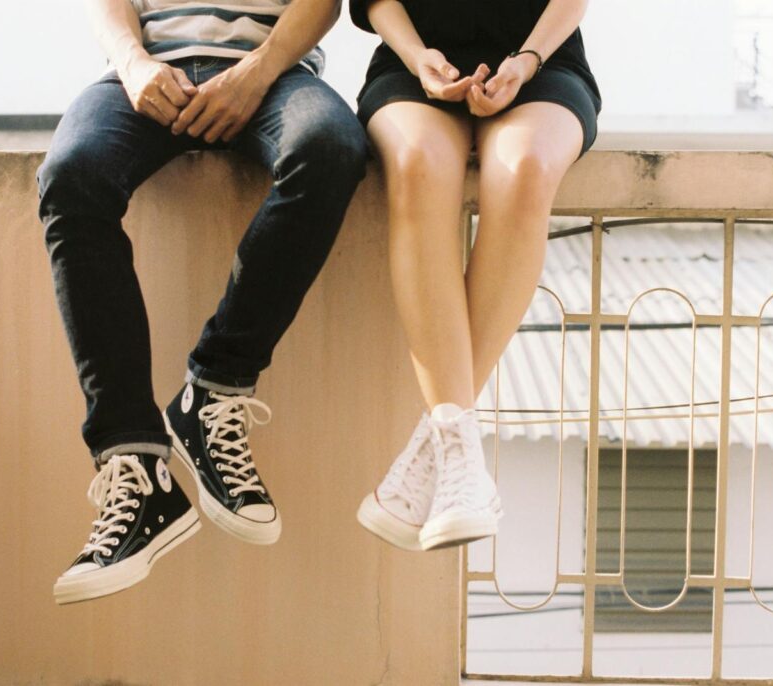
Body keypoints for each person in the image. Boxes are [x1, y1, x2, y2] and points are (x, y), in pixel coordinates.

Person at [37, 0, 367, 604]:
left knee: (331, 146)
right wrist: (134, 64)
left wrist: (258, 70)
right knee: (71, 173)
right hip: (143, 75)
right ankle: (136, 465)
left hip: (273, 77)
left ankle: (213, 387)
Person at [350, 0, 601, 551]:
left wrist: (525, 61)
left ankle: (441, 448)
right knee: (416, 162)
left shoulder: (538, 61)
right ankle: (460, 460)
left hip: (543, 65)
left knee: (526, 167)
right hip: (413, 69)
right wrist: (420, 59)